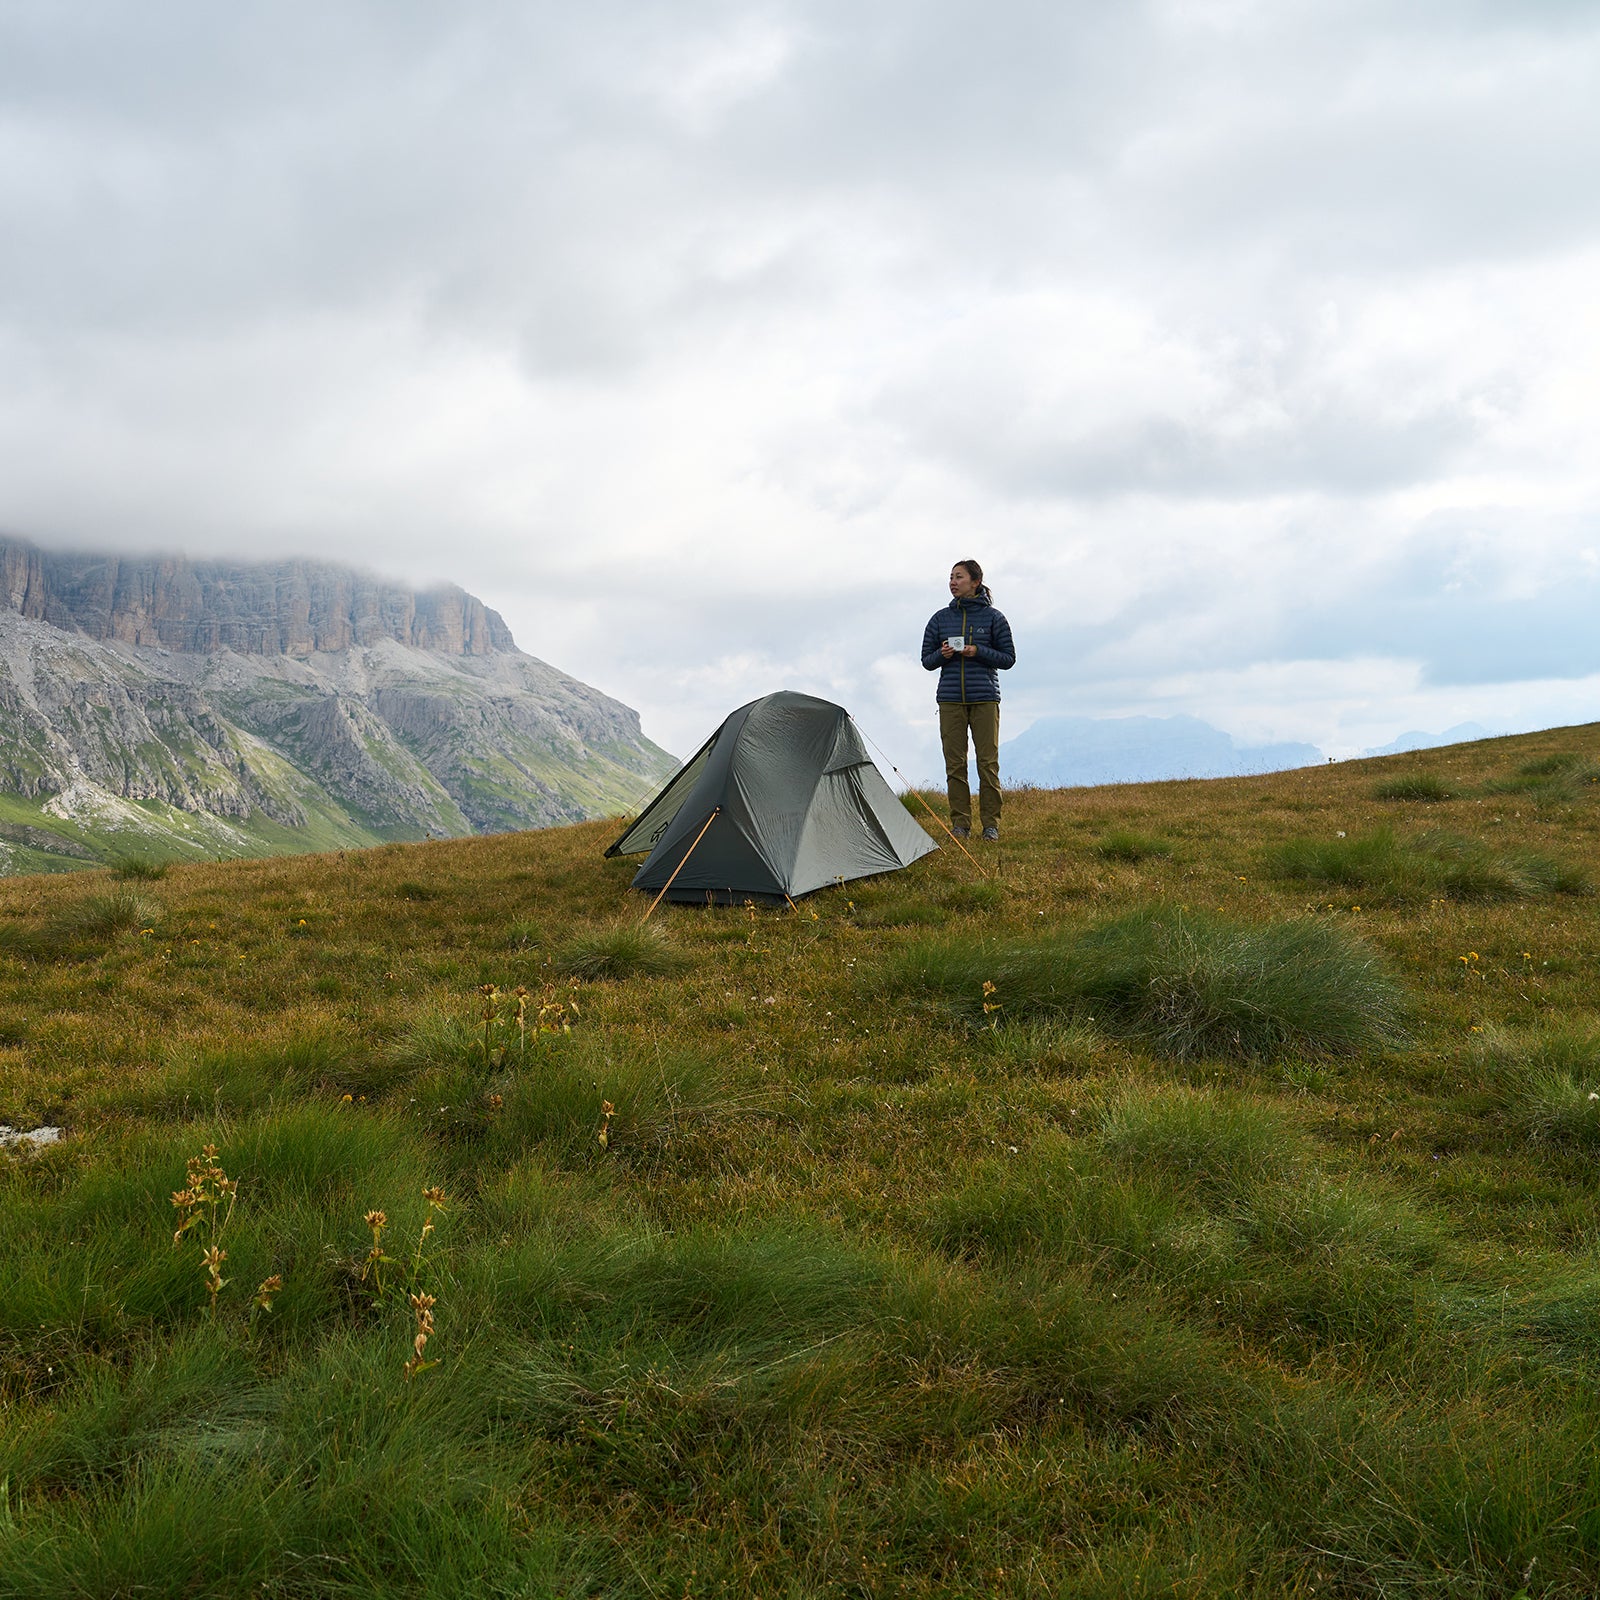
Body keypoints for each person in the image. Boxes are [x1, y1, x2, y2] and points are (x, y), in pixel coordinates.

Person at [920, 559, 1015, 840]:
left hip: (985, 698)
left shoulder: (995, 618)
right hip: (950, 700)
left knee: (987, 764)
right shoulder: (939, 619)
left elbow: (1009, 659)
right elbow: (926, 661)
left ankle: (991, 826)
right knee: (955, 764)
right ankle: (960, 825)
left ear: (975, 582)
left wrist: (978, 651)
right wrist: (943, 655)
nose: (952, 582)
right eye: (950, 577)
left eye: (959, 577)